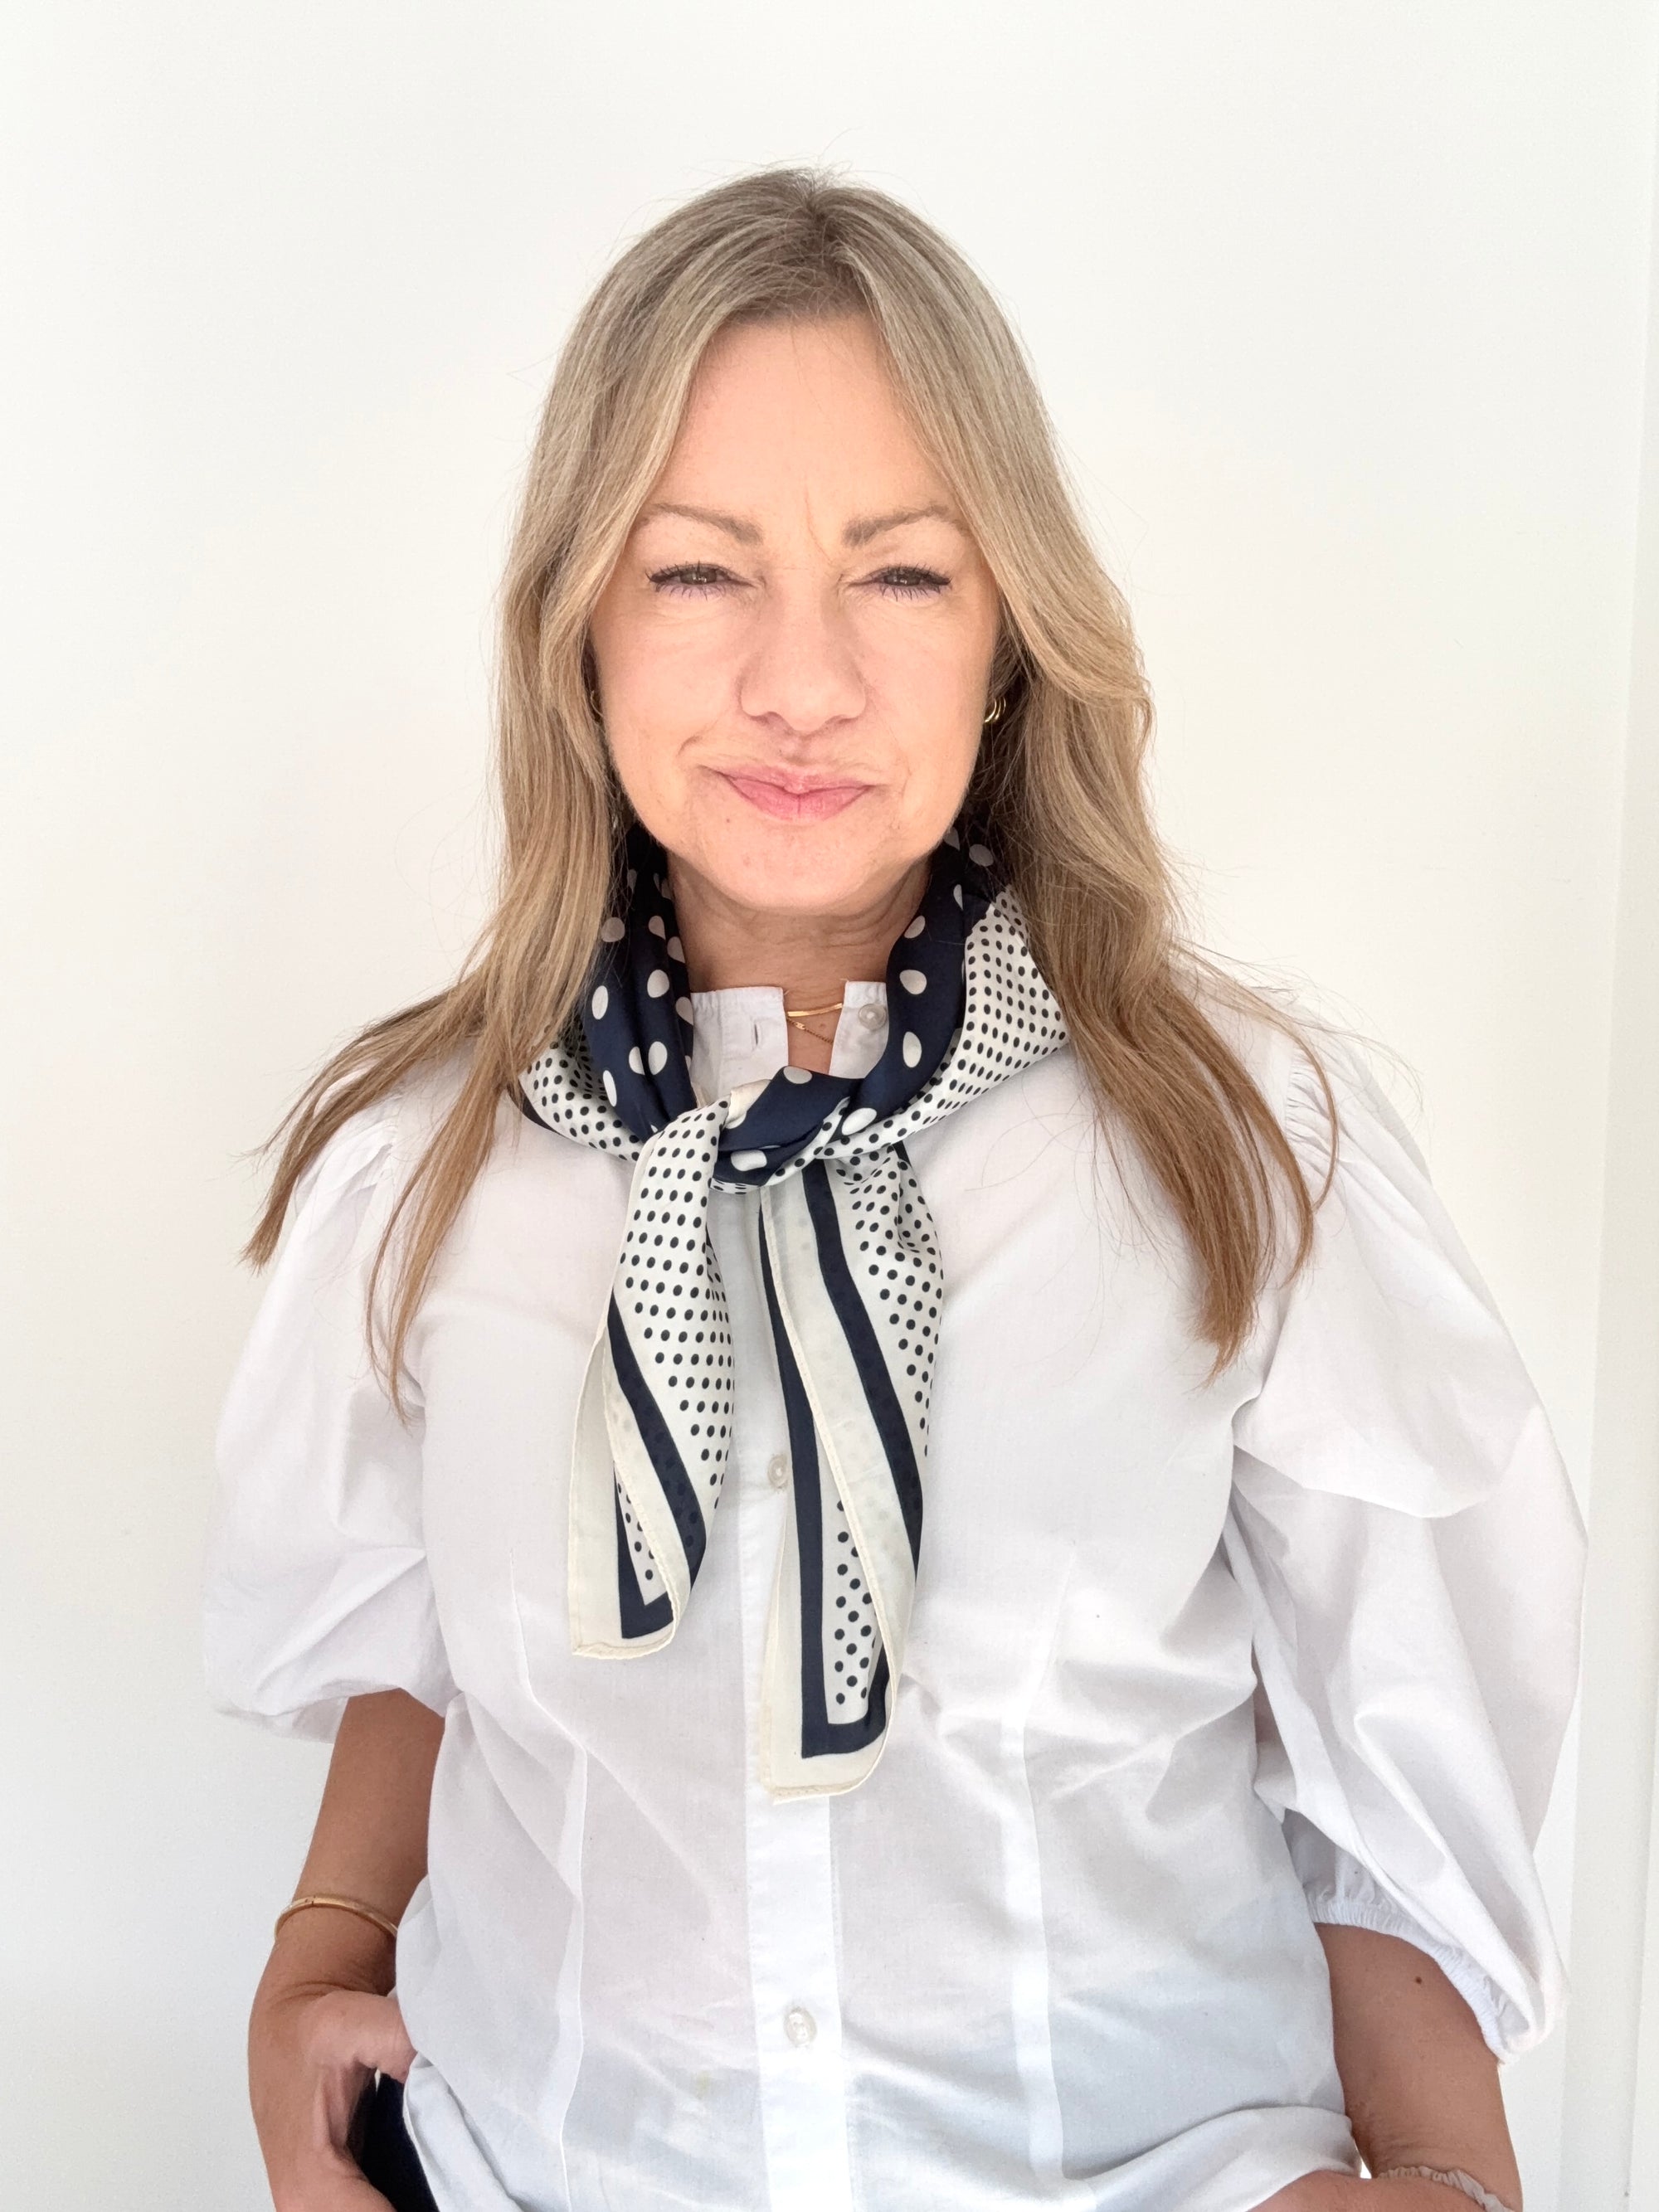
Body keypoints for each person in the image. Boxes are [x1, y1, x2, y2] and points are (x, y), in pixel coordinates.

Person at [204, 168, 1584, 2212]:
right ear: (575, 623)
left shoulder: (1243, 1150)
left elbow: (1385, 1777)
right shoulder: (426, 1168)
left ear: (1011, 635)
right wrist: (312, 1963)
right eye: (697, 573)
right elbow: (428, 1647)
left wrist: (1452, 2185)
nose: (798, 680)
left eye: (900, 576)